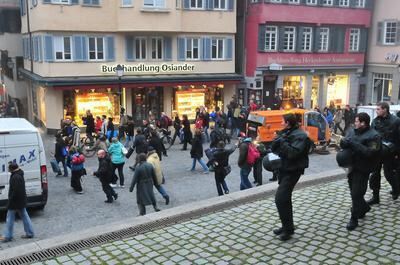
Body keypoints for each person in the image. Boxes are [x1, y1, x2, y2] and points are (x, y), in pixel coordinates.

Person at [271, 113, 310, 241]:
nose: (281, 123)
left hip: (293, 170)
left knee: (280, 199)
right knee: (285, 199)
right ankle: (288, 227)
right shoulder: (285, 132)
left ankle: (287, 230)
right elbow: (275, 149)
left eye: (282, 121)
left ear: (287, 123)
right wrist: (276, 140)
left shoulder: (301, 136)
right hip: (284, 168)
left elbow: (293, 153)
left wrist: (282, 141)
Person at [339, 112, 381, 230]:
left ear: (363, 123)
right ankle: (364, 207)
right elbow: (345, 142)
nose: (354, 123)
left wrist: (353, 143)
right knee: (354, 192)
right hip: (352, 166)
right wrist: (343, 143)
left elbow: (370, 153)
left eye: (357, 121)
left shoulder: (374, 136)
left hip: (363, 168)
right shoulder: (352, 131)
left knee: (356, 194)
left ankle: (354, 218)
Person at [368, 102, 400, 205]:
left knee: (389, 174)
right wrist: (371, 152)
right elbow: (371, 137)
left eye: (378, 109)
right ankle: (375, 197)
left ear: (385, 109)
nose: (376, 111)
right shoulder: (375, 121)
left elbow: (398, 139)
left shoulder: (396, 121)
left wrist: (397, 153)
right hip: (377, 152)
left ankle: (396, 189)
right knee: (374, 175)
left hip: (390, 153)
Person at [0, 163, 34, 243]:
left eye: (9, 168)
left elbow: (16, 191)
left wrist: (10, 200)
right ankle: (30, 233)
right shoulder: (18, 174)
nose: (8, 169)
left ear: (12, 169)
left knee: (9, 218)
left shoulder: (15, 177)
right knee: (24, 216)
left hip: (15, 202)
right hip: (20, 201)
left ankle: (8, 236)